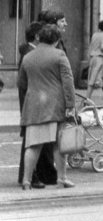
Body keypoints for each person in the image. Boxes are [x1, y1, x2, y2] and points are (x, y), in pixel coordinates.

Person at [17, 23, 76, 190]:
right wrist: (70, 105)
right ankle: (62, 178)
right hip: (56, 106)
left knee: (33, 145)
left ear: (40, 38)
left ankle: (26, 181)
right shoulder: (59, 55)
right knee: (59, 145)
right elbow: (68, 82)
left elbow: (21, 83)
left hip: (34, 107)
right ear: (56, 40)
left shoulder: (28, 57)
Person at [86, 18, 103, 103]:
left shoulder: (95, 34)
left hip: (92, 57)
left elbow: (91, 47)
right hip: (99, 58)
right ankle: (87, 99)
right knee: (93, 80)